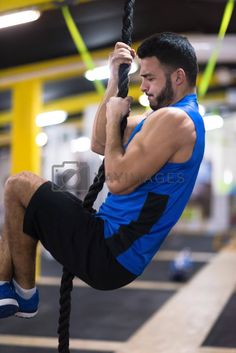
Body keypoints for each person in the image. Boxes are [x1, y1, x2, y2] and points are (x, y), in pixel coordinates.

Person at [0, 32, 205, 319]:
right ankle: (17, 292)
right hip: (111, 245)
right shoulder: (164, 119)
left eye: (150, 78)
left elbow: (118, 181)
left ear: (179, 77)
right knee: (24, 199)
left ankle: (20, 291)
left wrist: (115, 120)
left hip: (110, 250)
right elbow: (99, 142)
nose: (143, 86)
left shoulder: (175, 120)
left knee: (19, 184)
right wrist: (113, 80)